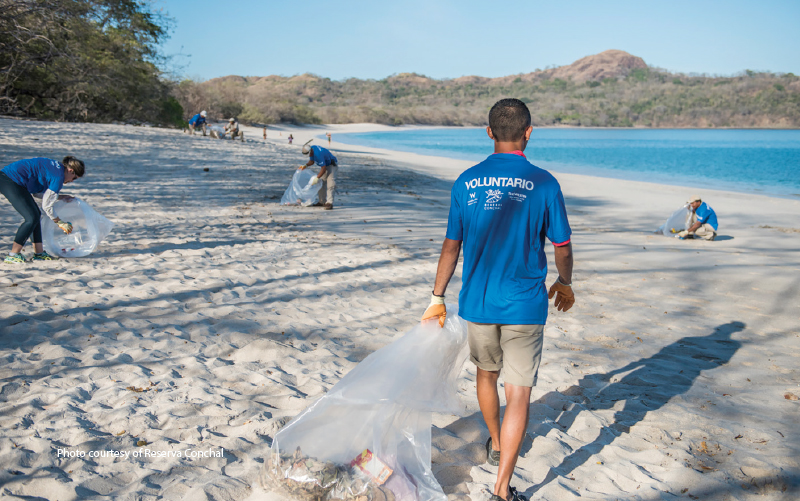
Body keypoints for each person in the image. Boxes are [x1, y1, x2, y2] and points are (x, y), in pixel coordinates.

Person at [421, 99, 575, 501]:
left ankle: (495, 440)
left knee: (485, 376)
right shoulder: (544, 183)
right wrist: (565, 281)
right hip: (525, 304)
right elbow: (562, 245)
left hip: (478, 303)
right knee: (519, 392)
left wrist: (437, 297)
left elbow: (451, 246)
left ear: (489, 133)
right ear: (528, 132)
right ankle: (502, 488)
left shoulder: (466, 181)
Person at [0, 156, 85, 263]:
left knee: (35, 215)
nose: (72, 181)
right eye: (74, 178)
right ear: (70, 171)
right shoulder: (58, 176)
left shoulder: (56, 169)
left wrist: (60, 197)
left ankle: (39, 253)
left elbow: (38, 193)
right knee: (31, 217)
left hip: (9, 179)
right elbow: (47, 206)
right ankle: (13, 254)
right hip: (10, 180)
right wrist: (60, 222)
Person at [300, 140, 338, 210]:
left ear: (310, 151)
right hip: (325, 165)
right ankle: (322, 201)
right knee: (321, 183)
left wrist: (317, 177)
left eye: (307, 154)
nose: (308, 155)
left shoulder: (318, 154)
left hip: (331, 165)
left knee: (331, 184)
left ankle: (329, 202)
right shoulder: (312, 150)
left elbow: (323, 169)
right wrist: (305, 165)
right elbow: (311, 161)